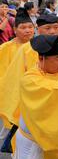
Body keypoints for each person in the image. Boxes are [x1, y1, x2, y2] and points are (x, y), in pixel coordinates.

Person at [0, 10, 34, 139]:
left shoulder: (39, 45)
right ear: (15, 29)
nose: (27, 30)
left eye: (30, 27)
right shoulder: (5, 48)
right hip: (14, 91)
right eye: (23, 27)